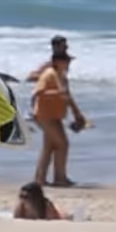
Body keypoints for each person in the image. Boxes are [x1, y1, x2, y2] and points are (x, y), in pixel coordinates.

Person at [28, 38, 87, 187]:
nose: (70, 64)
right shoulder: (49, 71)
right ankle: (59, 178)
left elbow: (67, 96)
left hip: (55, 114)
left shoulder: (61, 74)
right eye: (68, 61)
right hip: (45, 114)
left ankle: (40, 179)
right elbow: (37, 92)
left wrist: (77, 114)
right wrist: (56, 93)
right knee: (62, 144)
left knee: (50, 146)